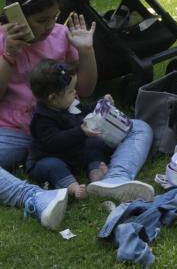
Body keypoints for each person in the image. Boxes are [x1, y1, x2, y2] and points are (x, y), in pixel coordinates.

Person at [0, 0, 155, 231]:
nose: (50, 26)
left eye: (54, 17)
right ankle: (34, 197)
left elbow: (85, 90)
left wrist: (86, 52)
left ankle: (114, 180)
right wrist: (10, 54)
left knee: (139, 127)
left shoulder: (60, 34)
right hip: (14, 132)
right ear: (16, 18)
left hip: (65, 124)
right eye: (42, 20)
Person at [26, 60, 115, 200]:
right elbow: (54, 141)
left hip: (72, 153)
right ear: (53, 98)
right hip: (49, 156)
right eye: (70, 90)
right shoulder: (42, 120)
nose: (75, 92)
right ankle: (73, 187)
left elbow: (85, 109)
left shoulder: (67, 104)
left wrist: (101, 103)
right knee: (53, 166)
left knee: (94, 145)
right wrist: (81, 132)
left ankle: (96, 173)